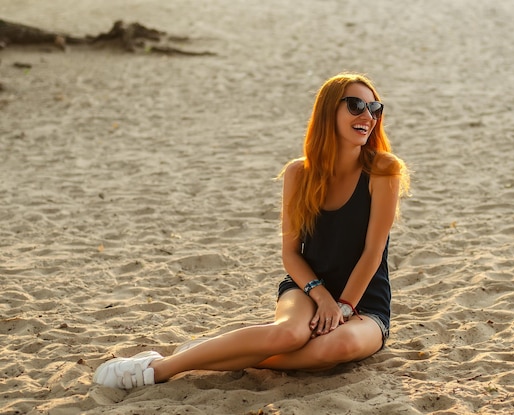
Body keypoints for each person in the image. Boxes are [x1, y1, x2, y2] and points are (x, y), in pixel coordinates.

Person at [92, 72, 410, 389]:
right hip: (307, 287)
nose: (367, 116)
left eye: (375, 108)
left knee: (335, 347)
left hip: (365, 304)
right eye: (356, 105)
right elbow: (290, 253)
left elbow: (373, 252)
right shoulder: (299, 173)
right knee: (290, 335)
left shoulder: (383, 170)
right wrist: (321, 296)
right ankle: (159, 368)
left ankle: (208, 355)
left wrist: (342, 308)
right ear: (329, 111)